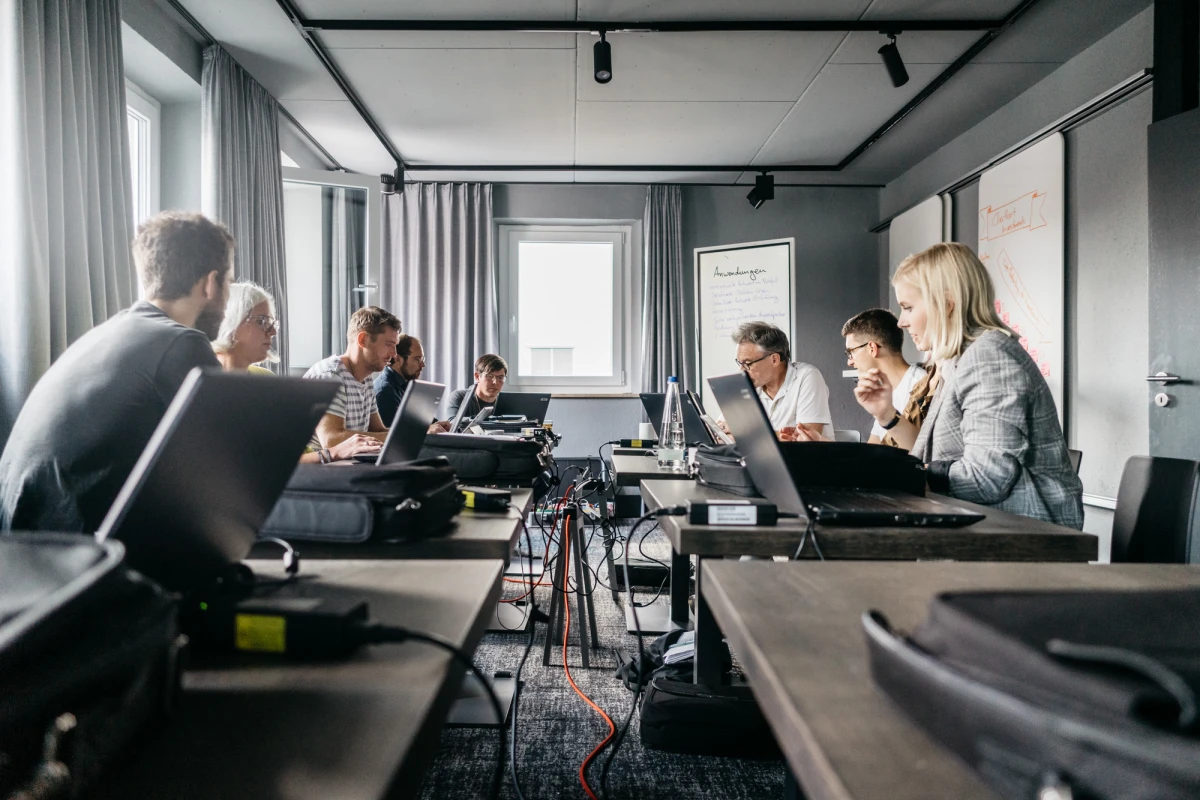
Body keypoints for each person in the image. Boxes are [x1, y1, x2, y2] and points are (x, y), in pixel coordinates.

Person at [0, 211, 232, 532]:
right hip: (78, 556)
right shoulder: (181, 342)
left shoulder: (102, 335)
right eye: (228, 281)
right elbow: (227, 467)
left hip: (21, 545)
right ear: (210, 283)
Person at [855, 242, 1083, 528]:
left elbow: (987, 478)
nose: (901, 322)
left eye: (908, 307)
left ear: (946, 304)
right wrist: (886, 416)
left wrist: (907, 476)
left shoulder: (989, 358)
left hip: (1019, 539)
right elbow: (939, 456)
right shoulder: (959, 361)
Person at [214, 281, 380, 464]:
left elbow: (292, 451)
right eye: (262, 321)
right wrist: (332, 453)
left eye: (272, 323)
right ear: (230, 322)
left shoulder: (266, 379)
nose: (273, 331)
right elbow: (253, 463)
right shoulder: (207, 384)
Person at [303, 306, 399, 452]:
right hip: (321, 469)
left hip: (347, 465)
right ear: (363, 340)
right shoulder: (331, 375)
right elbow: (332, 440)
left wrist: (420, 436)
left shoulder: (366, 380)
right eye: (388, 345)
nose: (394, 354)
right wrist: (396, 438)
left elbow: (378, 430)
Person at [721, 321, 832, 440]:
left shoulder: (807, 376)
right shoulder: (748, 382)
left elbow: (808, 439)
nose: (741, 370)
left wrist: (743, 433)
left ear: (774, 359)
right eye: (740, 363)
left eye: (747, 363)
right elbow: (721, 432)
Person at [841, 308, 926, 445]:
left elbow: (923, 457)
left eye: (851, 351)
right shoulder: (883, 395)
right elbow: (870, 454)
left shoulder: (923, 388)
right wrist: (821, 443)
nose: (849, 361)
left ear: (872, 348)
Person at [374, 333, 423, 423]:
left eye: (422, 359)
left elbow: (420, 421)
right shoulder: (385, 392)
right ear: (397, 358)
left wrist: (437, 424)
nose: (422, 365)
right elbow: (395, 435)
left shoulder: (407, 385)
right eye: (417, 359)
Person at [446, 354, 508, 424]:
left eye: (500, 378)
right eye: (490, 376)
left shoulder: (506, 402)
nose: (495, 382)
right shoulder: (460, 397)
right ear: (477, 376)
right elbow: (452, 422)